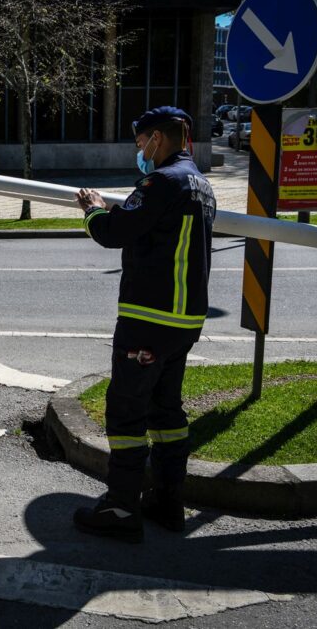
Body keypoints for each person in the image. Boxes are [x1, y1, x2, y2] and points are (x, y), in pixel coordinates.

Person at [72, 106, 216, 543]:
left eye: (141, 143)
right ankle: (168, 502)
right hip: (184, 320)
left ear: (157, 138)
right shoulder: (200, 183)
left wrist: (93, 210)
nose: (140, 151)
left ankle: (120, 507)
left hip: (149, 317)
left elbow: (113, 233)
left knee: (127, 411)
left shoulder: (161, 182)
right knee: (166, 411)